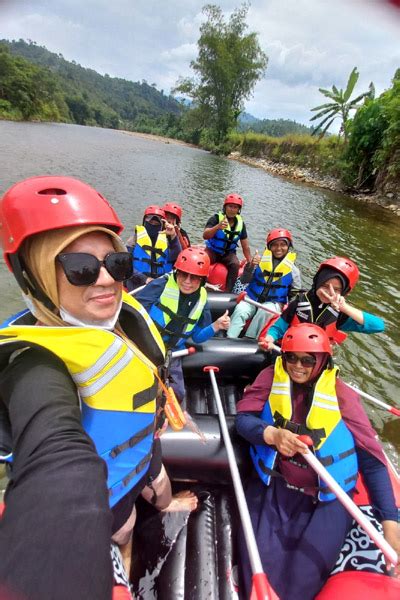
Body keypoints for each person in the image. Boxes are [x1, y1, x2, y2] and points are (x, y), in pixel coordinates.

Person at [0, 176, 179, 600]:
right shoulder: (32, 364)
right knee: (124, 528)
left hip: (142, 455)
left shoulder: (118, 319)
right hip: (103, 495)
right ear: (37, 275)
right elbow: (55, 450)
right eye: (80, 267)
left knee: (161, 496)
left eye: (116, 264)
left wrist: (152, 465)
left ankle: (158, 509)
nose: (105, 281)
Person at [236, 323, 399, 600]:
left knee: (301, 585)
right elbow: (242, 421)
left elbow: (371, 462)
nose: (297, 366)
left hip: (328, 498)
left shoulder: (342, 396)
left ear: (322, 360)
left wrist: (391, 523)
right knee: (256, 574)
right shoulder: (269, 377)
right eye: (291, 357)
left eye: (307, 360)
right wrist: (272, 434)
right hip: (277, 486)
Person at [135, 247, 230, 403]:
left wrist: (216, 326)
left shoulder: (202, 299)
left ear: (202, 280)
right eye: (183, 274)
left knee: (178, 393)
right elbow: (136, 314)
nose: (187, 281)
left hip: (173, 353)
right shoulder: (160, 285)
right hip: (147, 344)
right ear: (176, 272)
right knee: (141, 387)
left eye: (194, 278)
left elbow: (198, 337)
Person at [261, 256, 384, 349]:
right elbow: (277, 329)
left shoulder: (340, 314)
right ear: (317, 282)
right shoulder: (299, 302)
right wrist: (269, 340)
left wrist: (344, 307)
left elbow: (378, 326)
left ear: (344, 291)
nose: (329, 292)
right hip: (290, 353)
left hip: (314, 361)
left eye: (336, 289)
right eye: (325, 285)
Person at [227, 228, 302, 339]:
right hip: (252, 298)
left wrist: (288, 313)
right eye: (275, 245)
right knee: (241, 310)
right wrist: (251, 265)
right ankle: (229, 338)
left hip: (274, 303)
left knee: (265, 311)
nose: (279, 248)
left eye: (283, 245)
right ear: (269, 247)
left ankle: (249, 340)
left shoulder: (294, 271)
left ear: (288, 246)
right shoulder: (259, 261)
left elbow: (295, 295)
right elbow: (244, 280)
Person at [203, 193, 252, 292]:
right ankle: (200, 283)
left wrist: (250, 260)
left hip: (228, 253)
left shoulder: (241, 224)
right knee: (203, 260)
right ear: (225, 207)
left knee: (234, 264)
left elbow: (245, 246)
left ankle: (228, 291)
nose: (232, 209)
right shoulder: (216, 218)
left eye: (235, 207)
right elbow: (205, 235)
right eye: (230, 206)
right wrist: (217, 227)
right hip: (212, 251)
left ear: (239, 210)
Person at [125, 205, 181, 290]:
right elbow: (126, 265)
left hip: (161, 284)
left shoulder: (168, 240)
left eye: (156, 223)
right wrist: (145, 279)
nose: (153, 225)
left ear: (162, 225)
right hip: (138, 285)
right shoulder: (134, 240)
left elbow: (177, 258)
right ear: (144, 222)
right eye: (150, 223)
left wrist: (173, 235)